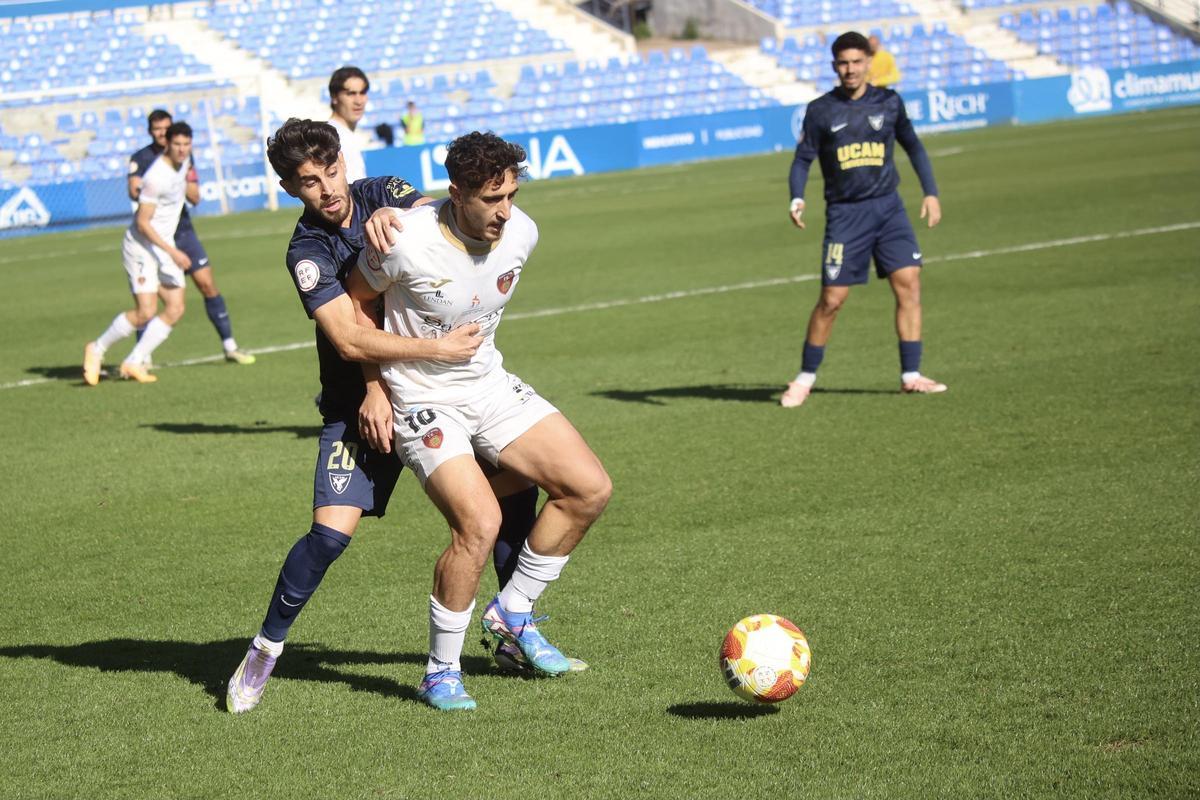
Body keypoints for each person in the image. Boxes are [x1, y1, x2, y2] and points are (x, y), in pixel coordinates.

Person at [225, 119, 561, 715]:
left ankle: (517, 625)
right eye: (309, 182)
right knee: (328, 537)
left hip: (439, 392)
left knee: (515, 490)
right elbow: (350, 338)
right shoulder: (307, 252)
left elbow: (445, 209)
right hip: (360, 408)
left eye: (331, 172)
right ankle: (265, 649)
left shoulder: (385, 190)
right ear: (288, 188)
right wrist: (376, 389)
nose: (328, 189)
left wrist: (407, 211)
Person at [348, 131, 611, 710]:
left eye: (511, 194)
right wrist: (372, 386)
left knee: (588, 488)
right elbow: (358, 302)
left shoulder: (523, 233)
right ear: (457, 193)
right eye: (492, 199)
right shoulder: (403, 241)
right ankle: (441, 672)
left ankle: (512, 611)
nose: (505, 212)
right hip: (422, 396)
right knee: (480, 524)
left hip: (489, 384)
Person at [781, 31, 945, 408]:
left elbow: (914, 146)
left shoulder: (889, 102)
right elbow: (803, 158)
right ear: (834, 66)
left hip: (889, 209)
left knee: (909, 285)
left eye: (856, 62)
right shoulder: (821, 110)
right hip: (846, 215)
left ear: (869, 61)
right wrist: (797, 196)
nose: (850, 69)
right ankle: (804, 378)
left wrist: (931, 193)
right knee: (832, 300)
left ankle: (911, 375)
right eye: (843, 63)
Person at [127, 109, 255, 365]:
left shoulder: (184, 156)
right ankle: (142, 356)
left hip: (183, 231)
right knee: (148, 297)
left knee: (207, 284)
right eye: (157, 129)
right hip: (154, 236)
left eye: (166, 128)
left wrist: (183, 180)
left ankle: (229, 346)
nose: (162, 133)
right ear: (150, 131)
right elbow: (133, 191)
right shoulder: (141, 159)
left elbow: (195, 196)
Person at [83, 122, 196, 385]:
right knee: (145, 311)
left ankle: (134, 361)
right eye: (177, 144)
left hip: (164, 245)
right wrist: (173, 252)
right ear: (167, 144)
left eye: (186, 144)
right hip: (142, 246)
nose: (182, 149)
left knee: (176, 308)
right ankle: (96, 348)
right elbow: (143, 223)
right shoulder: (156, 177)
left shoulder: (186, 162)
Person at [328, 66, 370, 183]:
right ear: (334, 97)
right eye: (350, 94)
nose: (358, 101)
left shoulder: (347, 135)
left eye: (362, 93)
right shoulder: (331, 138)